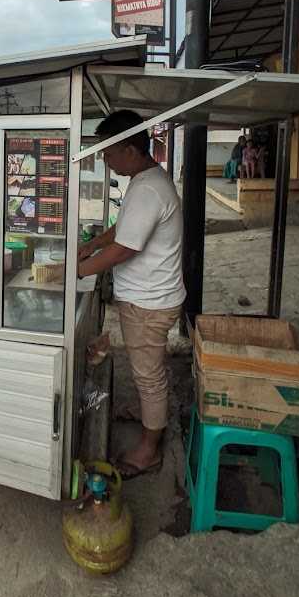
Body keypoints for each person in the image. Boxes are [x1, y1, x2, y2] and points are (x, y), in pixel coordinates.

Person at [78, 110, 185, 480]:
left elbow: (125, 248)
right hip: (147, 296)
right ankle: (146, 414)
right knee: (146, 371)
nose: (105, 161)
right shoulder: (143, 181)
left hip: (150, 302)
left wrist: (77, 271)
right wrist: (89, 246)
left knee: (148, 375)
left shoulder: (150, 188)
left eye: (109, 153)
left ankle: (148, 451)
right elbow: (121, 229)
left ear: (130, 149)